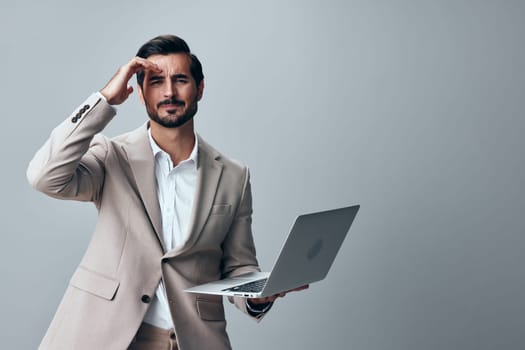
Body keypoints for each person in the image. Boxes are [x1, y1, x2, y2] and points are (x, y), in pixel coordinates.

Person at [27, 34, 306, 350]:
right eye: (157, 81)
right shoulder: (111, 156)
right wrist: (104, 98)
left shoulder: (233, 174)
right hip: (106, 337)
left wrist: (257, 294)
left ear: (200, 89)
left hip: (193, 340)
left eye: (181, 80)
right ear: (141, 93)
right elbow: (44, 176)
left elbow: (238, 266)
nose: (170, 92)